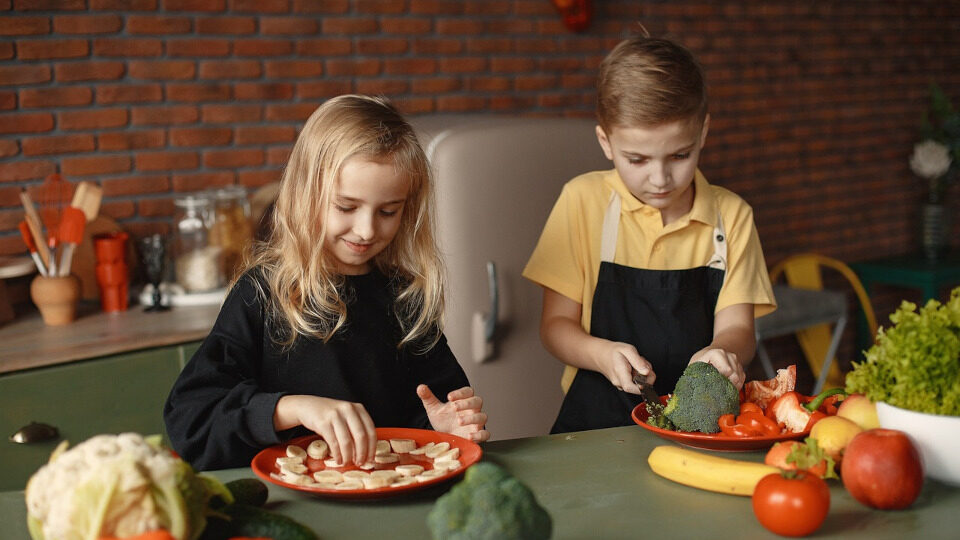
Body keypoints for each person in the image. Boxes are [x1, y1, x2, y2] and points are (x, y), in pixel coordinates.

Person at [164, 95, 490, 470]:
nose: (367, 230)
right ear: (307, 193)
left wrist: (447, 428)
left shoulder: (405, 299)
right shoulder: (261, 294)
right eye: (346, 207)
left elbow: (431, 420)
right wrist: (289, 407)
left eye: (388, 211)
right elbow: (192, 421)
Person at [522, 35, 776, 434]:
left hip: (703, 427)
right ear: (606, 141)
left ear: (703, 133)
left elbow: (741, 330)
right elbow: (555, 326)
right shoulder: (582, 201)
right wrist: (601, 354)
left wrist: (720, 351)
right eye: (637, 159)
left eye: (680, 155)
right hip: (595, 425)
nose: (660, 179)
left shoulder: (732, 216)